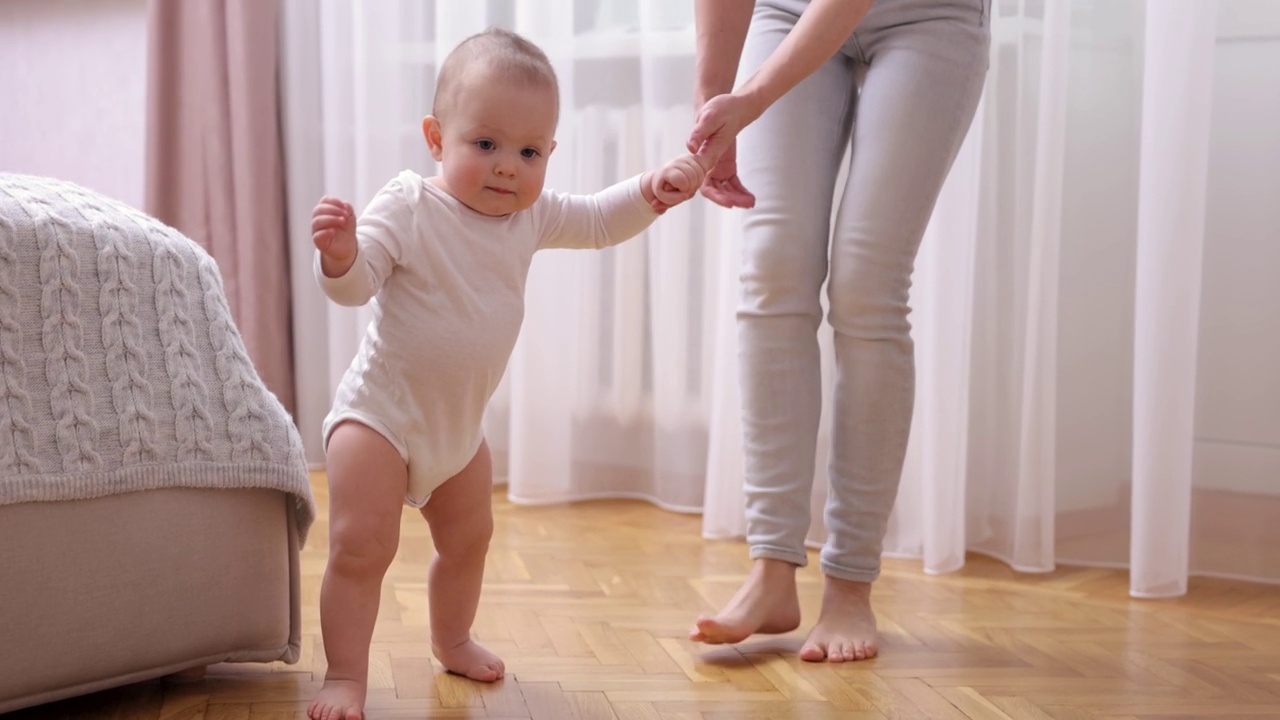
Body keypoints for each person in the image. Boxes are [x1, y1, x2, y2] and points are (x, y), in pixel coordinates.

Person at [307, 28, 705, 720]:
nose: (506, 168)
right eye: (485, 145)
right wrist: (341, 256)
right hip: (378, 418)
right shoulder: (409, 203)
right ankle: (344, 676)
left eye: (528, 152)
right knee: (360, 548)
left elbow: (599, 221)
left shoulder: (530, 216)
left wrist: (651, 190)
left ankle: (452, 637)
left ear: (549, 153)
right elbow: (357, 286)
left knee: (470, 538)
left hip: (457, 432)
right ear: (437, 138)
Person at [686, 0, 991, 662]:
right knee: (773, 269)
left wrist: (750, 98)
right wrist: (714, 103)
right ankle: (771, 572)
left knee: (866, 284)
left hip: (930, 16)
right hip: (787, 8)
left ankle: (851, 582)